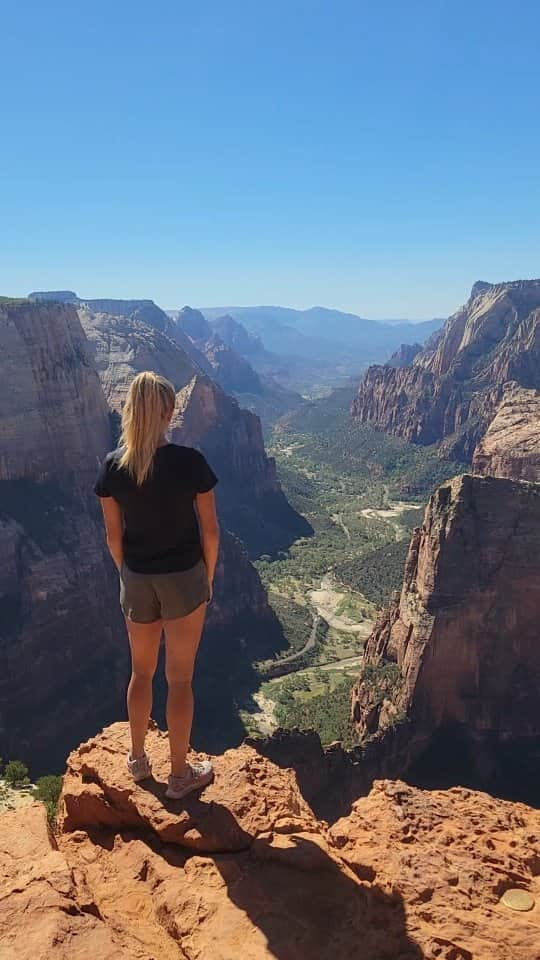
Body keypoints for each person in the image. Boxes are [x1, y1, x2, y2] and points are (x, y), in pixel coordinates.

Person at [94, 371, 220, 799]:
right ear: (167, 412)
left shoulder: (113, 466)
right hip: (184, 578)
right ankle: (180, 775)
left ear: (131, 410)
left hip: (137, 578)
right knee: (180, 679)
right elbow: (211, 533)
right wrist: (208, 577)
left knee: (141, 672)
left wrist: (126, 572)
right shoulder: (190, 462)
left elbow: (113, 536)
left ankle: (137, 760)